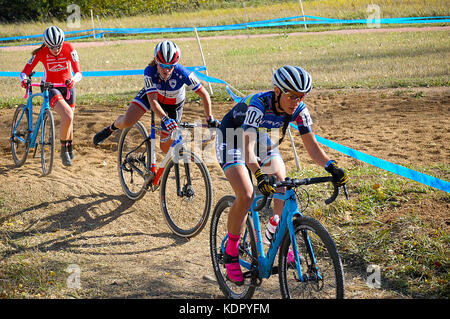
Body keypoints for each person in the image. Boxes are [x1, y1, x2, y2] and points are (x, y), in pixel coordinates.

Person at [215, 65, 349, 285]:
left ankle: (276, 232)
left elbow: (312, 147)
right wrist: (258, 174)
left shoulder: (299, 110)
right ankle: (231, 252)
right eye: (291, 96)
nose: (296, 101)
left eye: (301, 96)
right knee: (247, 194)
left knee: (281, 179)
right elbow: (247, 149)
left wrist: (331, 167)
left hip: (257, 138)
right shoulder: (259, 105)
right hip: (232, 137)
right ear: (277, 91)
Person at [93, 40, 219, 151]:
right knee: (127, 121)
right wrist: (164, 119)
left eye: (171, 66)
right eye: (162, 65)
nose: (166, 70)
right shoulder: (150, 71)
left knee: (165, 148)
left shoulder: (183, 74)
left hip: (174, 105)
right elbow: (153, 102)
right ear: (156, 62)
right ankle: (111, 128)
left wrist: (210, 118)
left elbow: (204, 95)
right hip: (152, 98)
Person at [19, 26, 82, 166]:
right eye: (52, 47)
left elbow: (79, 72)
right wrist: (23, 80)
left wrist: (73, 80)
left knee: (70, 118)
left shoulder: (69, 48)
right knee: (67, 115)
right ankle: (63, 150)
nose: (56, 49)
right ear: (46, 44)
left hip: (68, 86)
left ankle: (70, 147)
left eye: (58, 45)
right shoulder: (41, 52)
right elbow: (24, 72)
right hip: (50, 87)